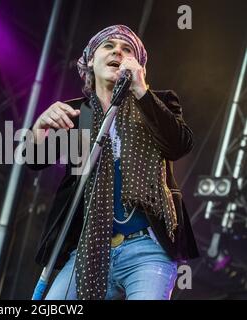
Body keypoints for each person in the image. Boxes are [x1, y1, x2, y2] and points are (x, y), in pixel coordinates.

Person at [29, 25, 198, 300]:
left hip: (147, 249)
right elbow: (35, 160)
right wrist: (40, 128)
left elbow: (178, 145)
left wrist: (142, 90)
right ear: (90, 61)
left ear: (138, 65)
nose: (118, 50)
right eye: (108, 46)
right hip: (88, 249)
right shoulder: (74, 113)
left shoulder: (158, 102)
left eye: (127, 49)